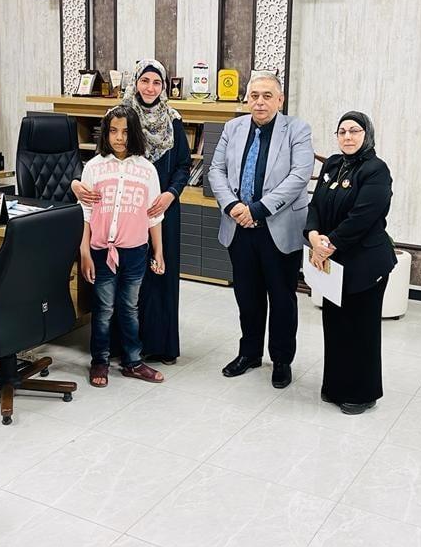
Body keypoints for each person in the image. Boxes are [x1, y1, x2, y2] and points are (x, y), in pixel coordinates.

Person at [73, 59, 191, 364]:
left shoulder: (173, 120)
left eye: (157, 82)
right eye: (144, 81)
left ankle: (159, 345)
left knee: (158, 275)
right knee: (120, 278)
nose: (150, 88)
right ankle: (117, 346)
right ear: (135, 83)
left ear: (164, 87)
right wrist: (75, 183)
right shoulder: (120, 116)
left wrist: (170, 194)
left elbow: (183, 165)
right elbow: (96, 162)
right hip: (120, 211)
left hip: (160, 208)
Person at [207, 71, 314, 389]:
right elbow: (216, 170)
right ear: (247, 99)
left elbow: (299, 176)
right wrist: (233, 206)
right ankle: (249, 353)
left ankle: (281, 360)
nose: (260, 102)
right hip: (239, 228)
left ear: (280, 99)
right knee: (247, 296)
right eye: (254, 96)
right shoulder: (233, 128)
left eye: (267, 96)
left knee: (282, 299)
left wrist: (256, 209)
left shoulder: (297, 130)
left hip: (278, 227)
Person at [305, 111, 396, 414]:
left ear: (366, 134)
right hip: (334, 263)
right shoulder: (333, 164)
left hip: (366, 263)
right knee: (335, 325)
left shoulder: (376, 170)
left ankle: (361, 393)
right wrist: (314, 236)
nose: (347, 137)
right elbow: (316, 205)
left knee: (361, 329)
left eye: (354, 131)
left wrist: (327, 245)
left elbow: (362, 217)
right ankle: (335, 387)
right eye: (342, 131)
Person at [79, 105, 167, 388]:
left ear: (135, 134)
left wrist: (159, 251)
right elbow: (86, 213)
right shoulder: (93, 167)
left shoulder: (147, 170)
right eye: (114, 131)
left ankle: (133, 361)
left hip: (135, 252)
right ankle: (100, 361)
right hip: (101, 250)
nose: (119, 138)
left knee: (129, 308)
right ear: (106, 133)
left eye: (126, 132)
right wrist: (84, 251)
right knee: (104, 309)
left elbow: (154, 215)